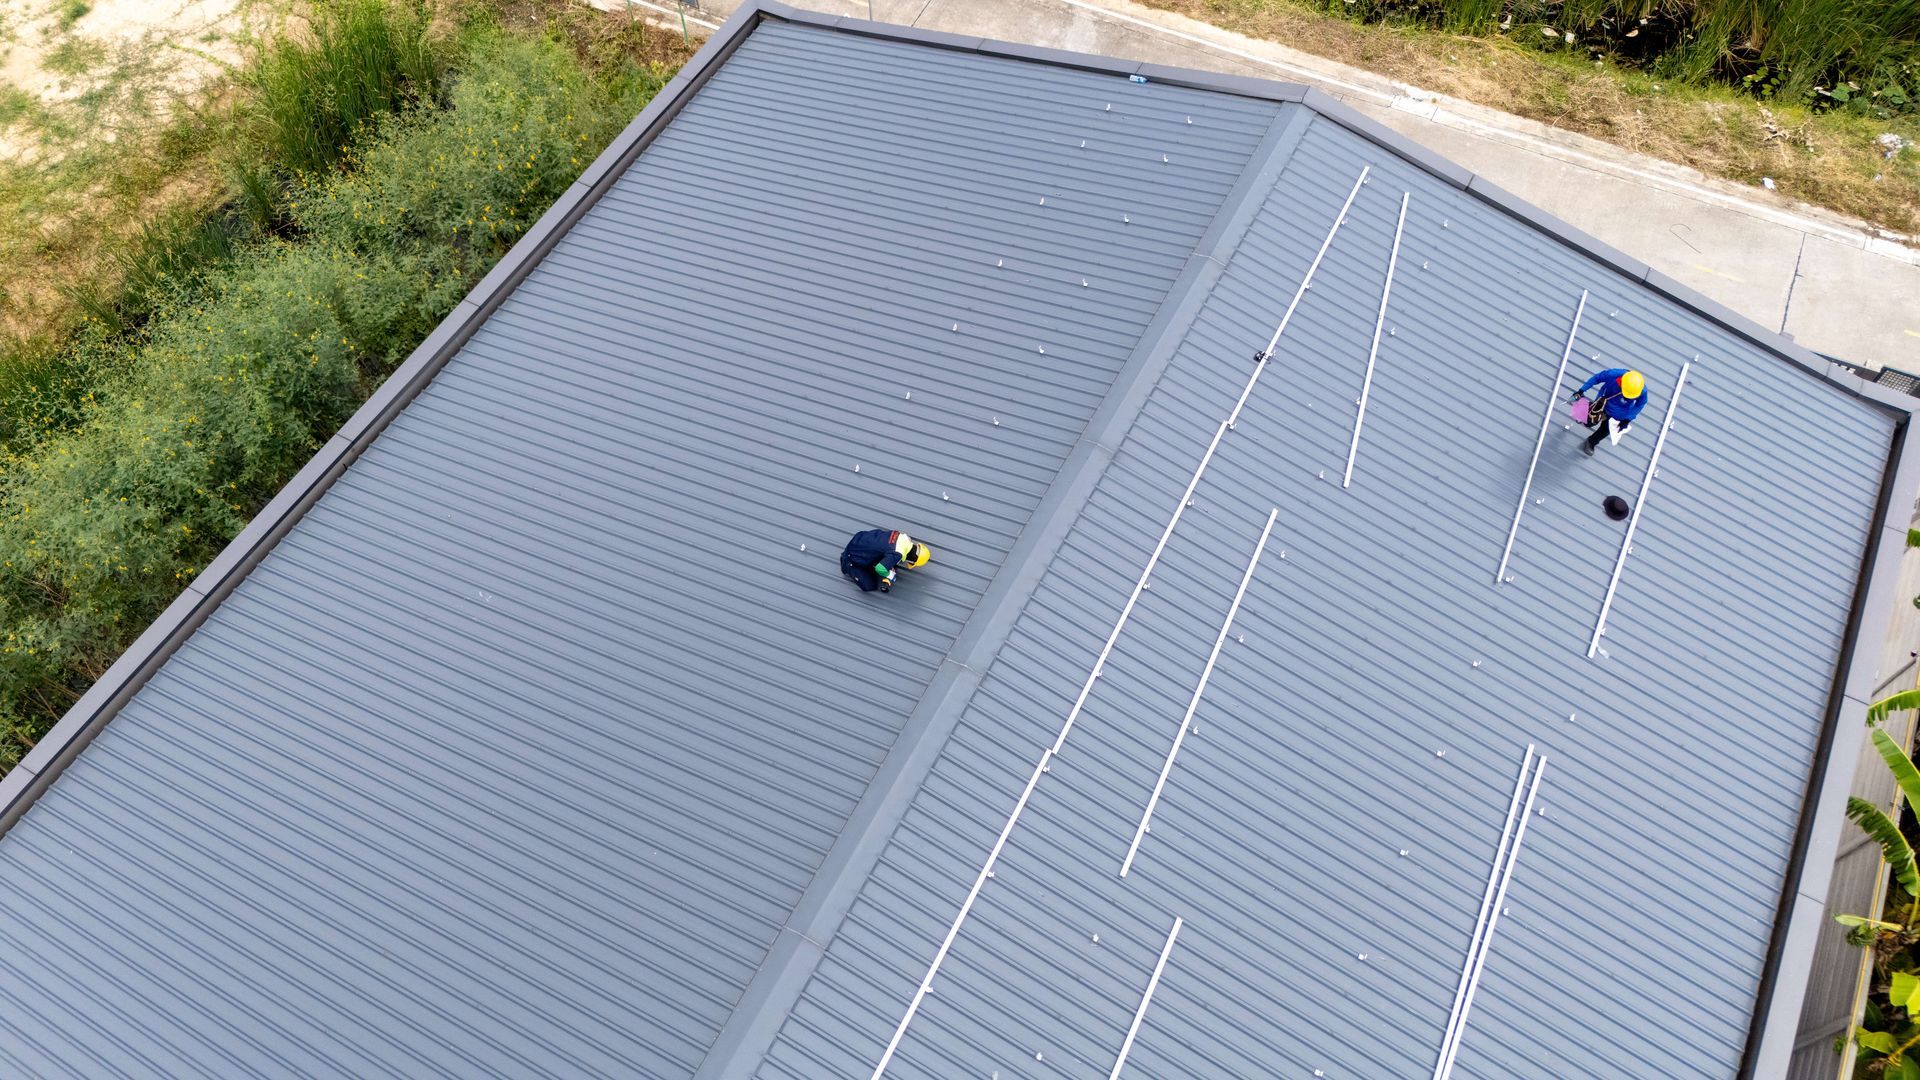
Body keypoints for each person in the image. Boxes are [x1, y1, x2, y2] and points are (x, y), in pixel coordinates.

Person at [1572, 368, 1648, 457]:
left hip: (1619, 413)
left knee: (1605, 430)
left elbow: (1640, 404)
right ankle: (1582, 412)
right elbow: (1597, 378)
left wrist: (1627, 419)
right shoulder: (1613, 375)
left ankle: (1591, 442)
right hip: (1603, 403)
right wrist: (1582, 390)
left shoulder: (1641, 390)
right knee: (1589, 422)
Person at [840, 529, 932, 593]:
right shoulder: (897, 554)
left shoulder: (904, 537)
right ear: (912, 560)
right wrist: (888, 575)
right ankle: (848, 565)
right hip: (852, 556)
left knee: (882, 554)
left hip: (861, 538)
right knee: (869, 586)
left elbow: (887, 547)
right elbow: (880, 569)